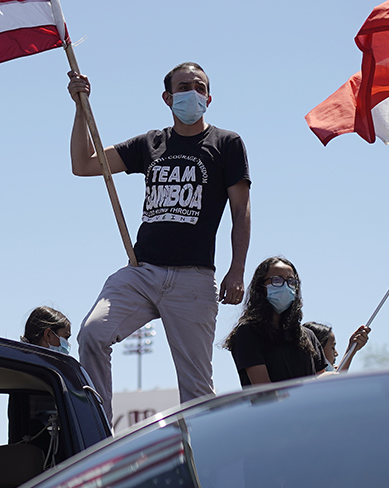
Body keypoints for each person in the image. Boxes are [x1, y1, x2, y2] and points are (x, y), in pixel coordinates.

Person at [67, 62, 251, 418]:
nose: (192, 93)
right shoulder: (150, 143)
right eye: (183, 87)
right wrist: (80, 107)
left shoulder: (227, 143)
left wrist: (237, 270)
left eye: (199, 87)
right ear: (168, 97)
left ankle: (203, 465)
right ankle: (99, 432)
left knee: (196, 389)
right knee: (92, 335)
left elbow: (240, 211)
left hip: (193, 279)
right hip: (141, 271)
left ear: (208, 97)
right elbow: (84, 164)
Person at [225, 257, 371, 387]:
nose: (285, 285)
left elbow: (327, 382)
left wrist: (351, 350)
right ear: (260, 287)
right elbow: (263, 391)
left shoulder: (307, 335)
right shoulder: (248, 332)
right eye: (277, 280)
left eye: (291, 281)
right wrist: (312, 382)